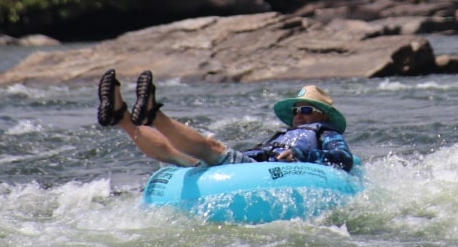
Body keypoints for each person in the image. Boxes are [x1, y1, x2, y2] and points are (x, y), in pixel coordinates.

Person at [96, 70, 354, 172]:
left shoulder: (325, 133)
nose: (299, 114)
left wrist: (299, 154)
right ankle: (123, 118)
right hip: (258, 167)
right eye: (297, 110)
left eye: (307, 109)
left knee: (214, 148)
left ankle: (153, 114)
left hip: (265, 170)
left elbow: (343, 159)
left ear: (322, 116)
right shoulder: (281, 135)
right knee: (176, 158)